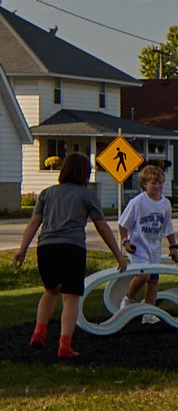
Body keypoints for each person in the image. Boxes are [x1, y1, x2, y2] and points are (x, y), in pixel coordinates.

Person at [10, 153, 129, 359]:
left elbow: (34, 223)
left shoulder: (46, 193)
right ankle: (64, 345)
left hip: (46, 248)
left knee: (50, 291)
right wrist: (118, 254)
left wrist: (22, 249)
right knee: (71, 297)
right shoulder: (87, 195)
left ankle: (39, 333)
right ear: (84, 173)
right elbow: (102, 226)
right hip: (72, 248)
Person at [117, 164, 178, 311]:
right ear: (145, 184)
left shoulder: (165, 204)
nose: (157, 186)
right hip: (138, 247)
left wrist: (173, 246)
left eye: (159, 183)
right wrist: (125, 241)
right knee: (144, 275)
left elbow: (168, 227)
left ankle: (149, 312)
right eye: (153, 183)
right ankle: (128, 299)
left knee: (153, 280)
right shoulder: (137, 202)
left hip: (154, 248)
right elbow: (122, 224)